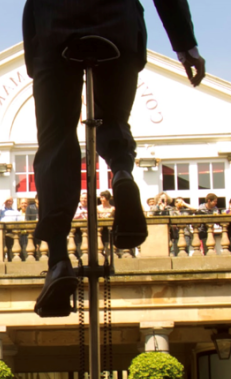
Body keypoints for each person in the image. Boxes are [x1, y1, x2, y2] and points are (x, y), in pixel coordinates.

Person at [24, 0, 204, 316]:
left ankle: (58, 259)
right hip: (118, 25)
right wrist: (185, 46)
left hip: (53, 25)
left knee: (56, 139)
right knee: (114, 119)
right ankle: (122, 173)